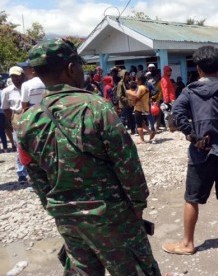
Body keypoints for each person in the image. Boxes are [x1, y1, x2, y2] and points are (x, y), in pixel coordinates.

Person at [16, 38, 161, 275]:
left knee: (82, 270)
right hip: (111, 215)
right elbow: (127, 162)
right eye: (81, 66)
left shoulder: (26, 121)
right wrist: (138, 203)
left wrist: (55, 205)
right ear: (71, 68)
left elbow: (36, 175)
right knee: (135, 269)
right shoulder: (97, 107)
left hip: (67, 216)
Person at [163, 45, 218, 255]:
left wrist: (192, 135)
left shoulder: (189, 91)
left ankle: (188, 244)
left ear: (198, 68)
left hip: (200, 152)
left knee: (192, 198)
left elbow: (177, 114)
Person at [1, 66, 28, 183]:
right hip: (17, 118)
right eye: (12, 77)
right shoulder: (7, 91)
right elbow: (6, 108)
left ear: (22, 75)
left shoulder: (29, 87)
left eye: (17, 76)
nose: (15, 79)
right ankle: (22, 173)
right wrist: (12, 121)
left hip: (31, 118)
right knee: (20, 147)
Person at [126, 75, 155, 144]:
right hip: (145, 107)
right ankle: (150, 131)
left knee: (138, 124)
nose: (136, 81)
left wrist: (128, 92)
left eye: (137, 79)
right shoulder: (145, 87)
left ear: (140, 80)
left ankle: (142, 140)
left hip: (139, 107)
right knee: (141, 122)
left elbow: (136, 96)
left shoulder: (140, 88)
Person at [160, 65, 176, 130]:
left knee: (171, 113)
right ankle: (169, 127)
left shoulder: (167, 78)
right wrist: (166, 100)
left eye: (170, 71)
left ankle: (171, 126)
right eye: (168, 71)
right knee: (168, 113)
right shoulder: (165, 79)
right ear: (165, 71)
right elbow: (165, 90)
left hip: (171, 98)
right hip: (169, 99)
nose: (170, 73)